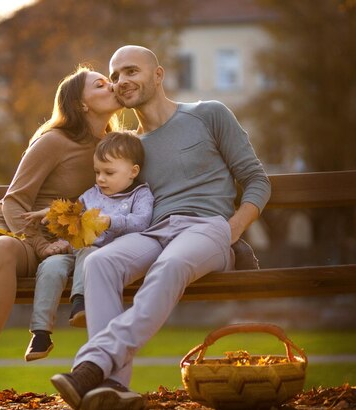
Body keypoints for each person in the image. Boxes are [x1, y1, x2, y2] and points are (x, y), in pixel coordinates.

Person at [50, 45, 271, 410]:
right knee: (101, 264)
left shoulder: (209, 114)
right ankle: (113, 386)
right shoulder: (128, 149)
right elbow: (102, 195)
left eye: (131, 71)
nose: (121, 81)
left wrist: (232, 231)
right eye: (115, 75)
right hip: (154, 234)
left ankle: (93, 364)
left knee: (171, 265)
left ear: (158, 75)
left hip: (206, 229)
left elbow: (257, 180)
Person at [0, 65, 122, 408]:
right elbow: (15, 201)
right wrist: (40, 244)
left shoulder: (113, 147)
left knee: (5, 249)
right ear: (80, 105)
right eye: (101, 83)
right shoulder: (55, 141)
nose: (112, 85)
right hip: (0, 223)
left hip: (29, 242)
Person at [24, 131, 154, 362]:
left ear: (133, 171)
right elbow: (74, 220)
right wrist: (55, 218)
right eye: (97, 172)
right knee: (51, 266)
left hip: (100, 258)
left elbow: (142, 222)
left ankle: (80, 304)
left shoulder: (139, 195)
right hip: (75, 252)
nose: (100, 179)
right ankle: (40, 332)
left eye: (109, 172)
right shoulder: (90, 195)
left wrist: (111, 221)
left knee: (89, 252)